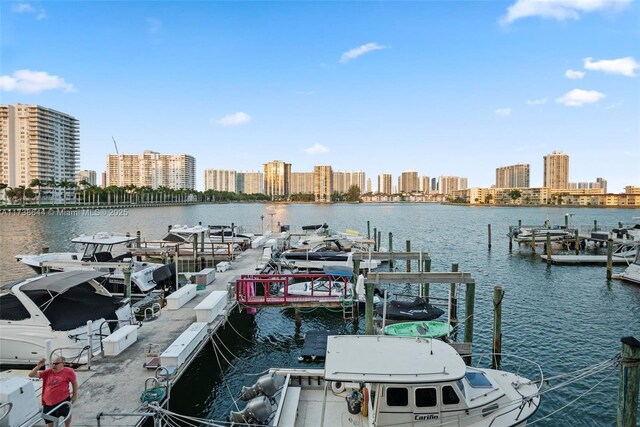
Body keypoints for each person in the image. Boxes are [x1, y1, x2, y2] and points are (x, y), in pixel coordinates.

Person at [29, 356, 78, 427]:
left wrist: (74, 395)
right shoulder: (48, 372)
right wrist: (38, 366)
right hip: (48, 403)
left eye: (56, 363)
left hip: (63, 400)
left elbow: (74, 383)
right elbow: (31, 375)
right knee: (49, 420)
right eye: (53, 363)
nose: (54, 365)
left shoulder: (69, 371)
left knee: (67, 414)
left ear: (63, 364)